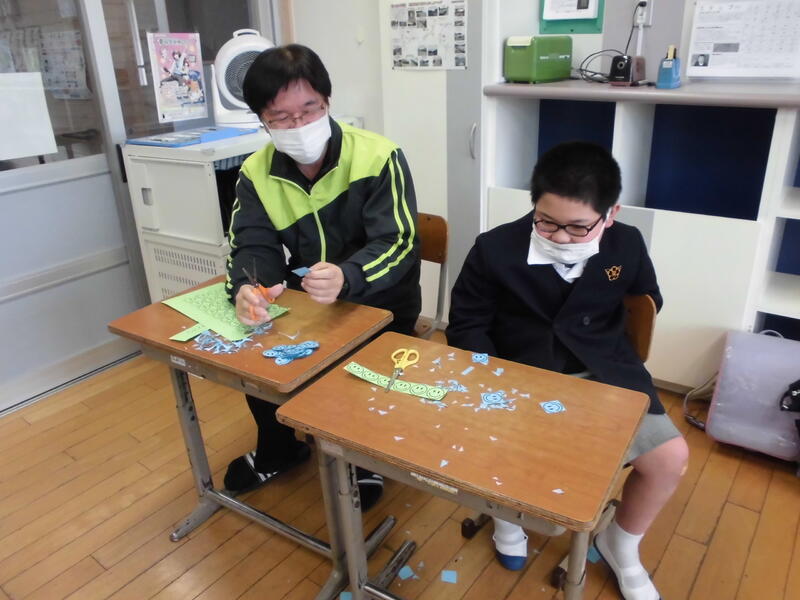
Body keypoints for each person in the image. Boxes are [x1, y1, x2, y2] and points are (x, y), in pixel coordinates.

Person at [446, 142, 688, 600]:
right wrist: (493, 383)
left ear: (610, 214)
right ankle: (505, 513)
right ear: (534, 205)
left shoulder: (626, 243)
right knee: (499, 442)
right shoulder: (495, 248)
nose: (559, 237)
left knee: (669, 458)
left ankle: (621, 545)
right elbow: (466, 325)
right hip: (518, 376)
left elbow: (646, 301)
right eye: (546, 222)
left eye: (578, 227)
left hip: (605, 375)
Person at [224, 44, 421, 511]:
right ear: (263, 121)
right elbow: (251, 243)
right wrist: (249, 289)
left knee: (358, 377)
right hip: (309, 300)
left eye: (309, 110)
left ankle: (363, 458)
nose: (298, 125)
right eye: (281, 117)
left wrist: (348, 276)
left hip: (380, 302)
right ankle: (279, 447)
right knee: (262, 356)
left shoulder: (378, 156)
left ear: (327, 102)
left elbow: (399, 241)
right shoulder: (255, 172)